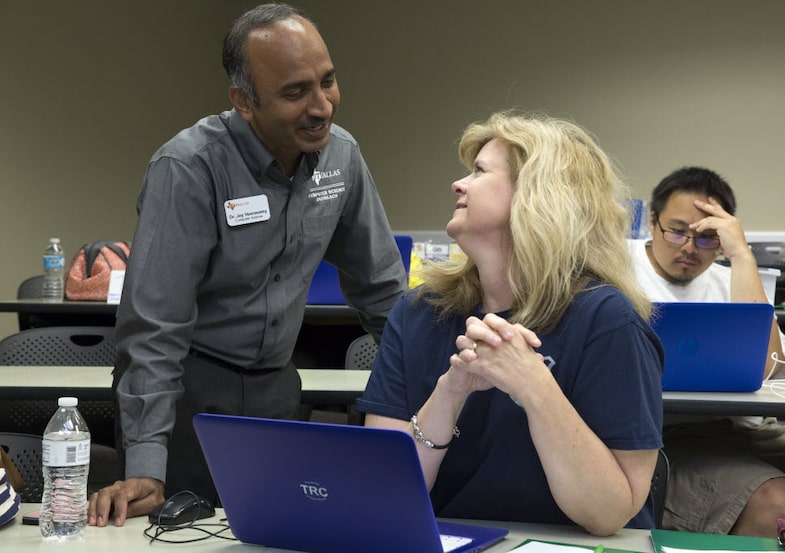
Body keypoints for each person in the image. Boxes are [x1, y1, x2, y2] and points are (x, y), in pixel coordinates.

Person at [88, 3, 406, 526]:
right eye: (294, 92)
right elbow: (153, 329)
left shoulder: (341, 157)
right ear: (244, 102)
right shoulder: (189, 167)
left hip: (277, 388)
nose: (321, 106)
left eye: (327, 82)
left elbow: (383, 292)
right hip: (189, 392)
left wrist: (436, 392)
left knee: (280, 530)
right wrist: (147, 461)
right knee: (180, 536)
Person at [357, 111, 664, 536]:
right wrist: (449, 392)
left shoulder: (607, 320)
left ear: (536, 197)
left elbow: (609, 514)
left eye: (479, 172)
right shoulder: (418, 311)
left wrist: (533, 385)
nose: (458, 184)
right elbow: (382, 492)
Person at [629, 166, 785, 536]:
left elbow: (769, 371)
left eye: (706, 238)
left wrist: (741, 256)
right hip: (665, 434)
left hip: (746, 427)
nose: (689, 248)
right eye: (676, 231)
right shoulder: (617, 268)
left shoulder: (732, 277)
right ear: (653, 221)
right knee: (774, 499)